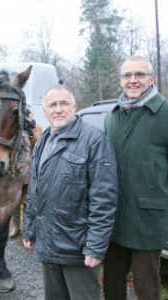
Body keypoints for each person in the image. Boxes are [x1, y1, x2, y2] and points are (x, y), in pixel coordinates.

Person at [22, 85, 118, 300]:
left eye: (64, 103)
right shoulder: (43, 141)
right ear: (44, 111)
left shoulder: (94, 141)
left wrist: (95, 246)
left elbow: (104, 199)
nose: (58, 109)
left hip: (77, 245)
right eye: (52, 105)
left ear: (74, 107)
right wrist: (29, 228)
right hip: (47, 241)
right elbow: (34, 191)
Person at [103, 54, 168, 300]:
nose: (133, 80)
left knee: (147, 288)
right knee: (112, 284)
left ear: (151, 79)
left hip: (147, 219)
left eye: (139, 74)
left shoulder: (164, 113)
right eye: (127, 75)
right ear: (120, 81)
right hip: (114, 217)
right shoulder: (112, 116)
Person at [9, 104, 43, 239]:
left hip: (29, 174)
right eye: (25, 114)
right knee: (14, 203)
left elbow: (38, 141)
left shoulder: (37, 128)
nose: (28, 115)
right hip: (15, 173)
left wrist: (29, 128)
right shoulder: (15, 128)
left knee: (29, 203)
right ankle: (16, 227)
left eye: (30, 113)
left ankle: (28, 229)